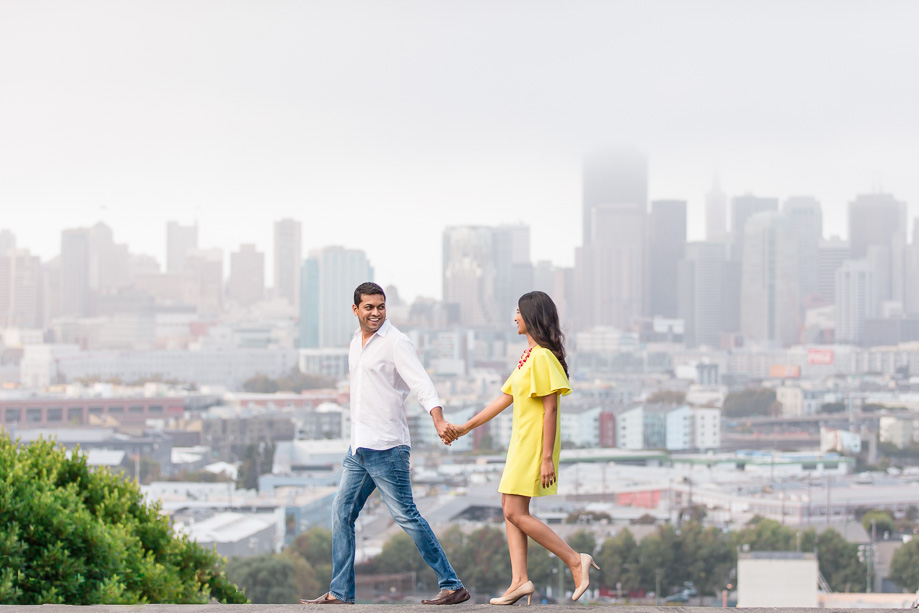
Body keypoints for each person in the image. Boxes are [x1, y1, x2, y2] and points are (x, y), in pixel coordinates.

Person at [301, 282, 469, 606]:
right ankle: (340, 593)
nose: (376, 313)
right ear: (356, 310)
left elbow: (422, 384)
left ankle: (452, 584)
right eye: (369, 307)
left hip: (388, 448)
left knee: (406, 516)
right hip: (359, 449)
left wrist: (438, 420)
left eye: (381, 307)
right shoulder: (354, 343)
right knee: (340, 512)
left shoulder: (396, 343)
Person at [444, 291, 597, 605]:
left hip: (534, 445)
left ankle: (574, 559)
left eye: (517, 312)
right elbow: (504, 399)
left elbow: (551, 410)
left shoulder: (542, 358)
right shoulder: (529, 356)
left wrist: (546, 459)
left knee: (514, 511)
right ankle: (519, 581)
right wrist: (464, 428)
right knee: (510, 510)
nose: (514, 317)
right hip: (521, 443)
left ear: (531, 317)